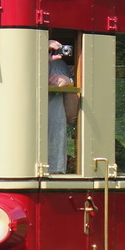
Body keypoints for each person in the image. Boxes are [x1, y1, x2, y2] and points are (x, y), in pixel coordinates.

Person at [47, 38, 79, 173]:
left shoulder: (59, 64)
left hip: (54, 162)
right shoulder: (10, 59)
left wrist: (69, 84)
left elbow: (72, 117)